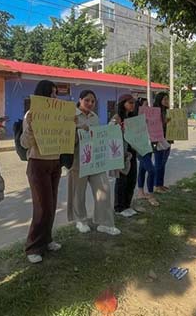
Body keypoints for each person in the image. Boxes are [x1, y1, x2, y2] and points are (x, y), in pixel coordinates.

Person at [67, 90, 121, 236]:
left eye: (93, 101)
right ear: (80, 100)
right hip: (78, 161)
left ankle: (105, 223)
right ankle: (80, 220)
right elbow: (65, 139)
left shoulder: (95, 117)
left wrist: (112, 127)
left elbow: (98, 137)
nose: (90, 103)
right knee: (78, 193)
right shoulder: (71, 116)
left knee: (104, 189)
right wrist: (77, 130)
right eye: (87, 100)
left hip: (95, 161)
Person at [20, 80, 63, 264]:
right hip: (38, 163)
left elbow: (65, 138)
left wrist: (71, 125)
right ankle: (33, 247)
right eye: (50, 94)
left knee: (51, 204)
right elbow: (25, 143)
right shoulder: (31, 114)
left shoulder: (60, 115)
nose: (54, 98)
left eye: (55, 94)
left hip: (55, 162)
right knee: (42, 206)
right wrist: (30, 126)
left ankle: (47, 239)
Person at [111, 94, 139, 218]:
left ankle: (127, 205)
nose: (133, 105)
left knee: (132, 179)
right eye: (130, 103)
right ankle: (119, 207)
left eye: (134, 103)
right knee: (122, 180)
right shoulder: (116, 118)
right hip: (121, 153)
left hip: (132, 153)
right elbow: (110, 132)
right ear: (123, 104)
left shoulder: (132, 117)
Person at [135, 97, 158, 205]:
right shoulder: (135, 118)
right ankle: (151, 194)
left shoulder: (149, 118)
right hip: (140, 148)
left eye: (148, 104)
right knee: (151, 170)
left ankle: (140, 192)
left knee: (142, 169)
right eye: (145, 105)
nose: (148, 107)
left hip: (149, 146)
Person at [152, 92, 173, 194]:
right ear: (159, 100)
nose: (166, 101)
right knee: (159, 163)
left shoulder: (167, 111)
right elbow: (155, 125)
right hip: (159, 140)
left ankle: (161, 184)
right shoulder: (155, 111)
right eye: (164, 99)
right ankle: (156, 185)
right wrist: (165, 122)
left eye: (167, 99)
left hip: (168, 139)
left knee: (163, 163)